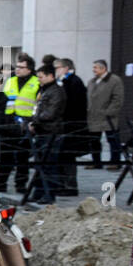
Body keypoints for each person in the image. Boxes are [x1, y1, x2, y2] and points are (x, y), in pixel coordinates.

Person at [0, 53, 38, 192]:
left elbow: (38, 105)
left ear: (29, 69)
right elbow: (3, 102)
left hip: (25, 126)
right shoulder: (10, 81)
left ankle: (20, 185)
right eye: (17, 66)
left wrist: (32, 123)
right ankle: (0, 185)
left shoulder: (36, 83)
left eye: (21, 67)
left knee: (22, 159)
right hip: (8, 125)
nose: (17, 69)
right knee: (5, 158)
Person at [27, 63, 64, 205]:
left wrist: (34, 121)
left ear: (51, 76)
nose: (39, 80)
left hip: (51, 133)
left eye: (41, 77)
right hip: (43, 131)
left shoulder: (56, 91)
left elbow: (50, 113)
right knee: (40, 164)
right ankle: (39, 192)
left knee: (49, 165)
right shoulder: (45, 90)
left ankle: (49, 194)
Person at [54, 57, 85, 195]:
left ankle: (70, 186)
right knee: (61, 156)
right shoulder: (62, 82)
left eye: (58, 67)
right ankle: (62, 185)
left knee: (67, 157)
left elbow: (73, 104)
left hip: (70, 126)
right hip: (63, 126)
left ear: (66, 68)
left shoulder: (73, 82)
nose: (56, 70)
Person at [86, 59, 124, 171]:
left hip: (108, 117)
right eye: (94, 68)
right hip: (93, 116)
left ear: (104, 68)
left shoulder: (114, 80)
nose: (94, 70)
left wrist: (108, 112)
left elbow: (117, 98)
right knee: (94, 140)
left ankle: (115, 162)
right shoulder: (92, 81)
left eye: (96, 68)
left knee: (112, 140)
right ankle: (96, 162)